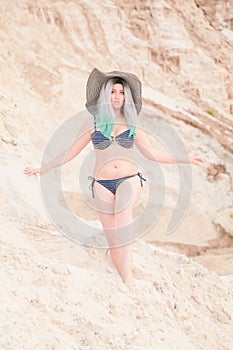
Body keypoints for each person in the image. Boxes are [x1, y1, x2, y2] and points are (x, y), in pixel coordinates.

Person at [24, 67, 204, 287]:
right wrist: (43, 168)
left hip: (129, 179)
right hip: (101, 184)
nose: (117, 96)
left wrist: (185, 159)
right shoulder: (93, 124)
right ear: (106, 96)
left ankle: (128, 278)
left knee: (123, 212)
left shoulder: (133, 126)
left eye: (121, 93)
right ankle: (121, 272)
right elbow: (70, 152)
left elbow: (153, 154)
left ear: (126, 98)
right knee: (113, 238)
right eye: (113, 92)